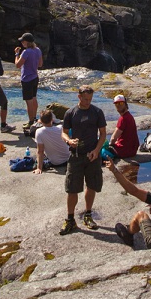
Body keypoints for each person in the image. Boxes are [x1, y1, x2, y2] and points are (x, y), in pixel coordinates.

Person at [59, 85, 107, 234]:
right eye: (85, 99)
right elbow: (64, 133)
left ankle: (88, 214)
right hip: (76, 155)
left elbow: (103, 134)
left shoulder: (97, 112)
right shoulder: (70, 113)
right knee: (72, 188)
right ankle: (70, 219)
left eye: (90, 99)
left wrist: (96, 151)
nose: (88, 102)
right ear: (79, 97)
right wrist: (69, 141)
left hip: (92, 155)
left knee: (91, 186)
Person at [14, 32, 43, 129]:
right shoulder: (38, 50)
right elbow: (40, 64)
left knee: (29, 101)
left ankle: (31, 121)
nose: (21, 43)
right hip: (35, 77)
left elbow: (18, 65)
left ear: (26, 42)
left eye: (22, 41)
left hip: (27, 79)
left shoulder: (26, 52)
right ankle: (34, 118)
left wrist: (17, 54)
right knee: (34, 98)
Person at [107, 95, 139, 177]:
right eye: (116, 104)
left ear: (125, 103)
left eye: (121, 103)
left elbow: (113, 138)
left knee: (102, 149)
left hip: (123, 151)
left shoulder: (123, 119)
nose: (118, 105)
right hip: (133, 150)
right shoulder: (129, 116)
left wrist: (109, 145)